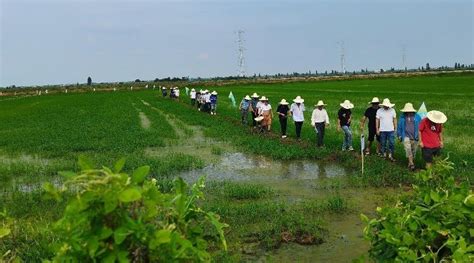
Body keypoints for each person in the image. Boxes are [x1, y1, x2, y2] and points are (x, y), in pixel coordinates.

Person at [397, 103, 422, 171]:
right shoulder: (402, 117)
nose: (408, 112)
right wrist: (399, 135)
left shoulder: (417, 117)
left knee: (413, 150)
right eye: (406, 111)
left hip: (415, 137)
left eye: (409, 111)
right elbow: (399, 127)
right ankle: (411, 163)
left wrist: (421, 138)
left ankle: (410, 162)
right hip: (405, 136)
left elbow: (421, 127)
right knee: (408, 149)